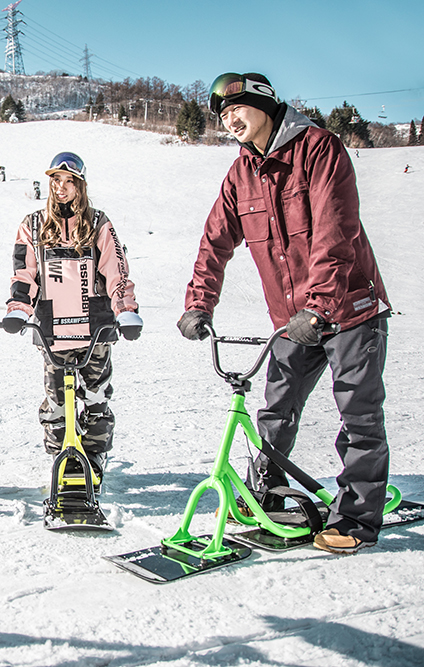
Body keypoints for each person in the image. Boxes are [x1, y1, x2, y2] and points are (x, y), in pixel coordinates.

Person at [178, 72, 391, 555]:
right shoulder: (241, 173)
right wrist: (198, 303)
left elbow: (335, 230)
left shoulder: (318, 149)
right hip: (293, 321)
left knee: (358, 415)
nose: (230, 119)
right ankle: (267, 493)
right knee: (276, 411)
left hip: (349, 309)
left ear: (266, 104)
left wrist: (319, 305)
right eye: (222, 114)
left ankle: (356, 517)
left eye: (237, 107)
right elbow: (214, 241)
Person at [0, 152, 142, 488]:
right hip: (53, 332)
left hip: (95, 330)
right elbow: (24, 273)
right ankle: (60, 459)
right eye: (55, 181)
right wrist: (19, 309)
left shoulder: (98, 223)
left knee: (96, 399)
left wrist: (125, 310)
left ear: (80, 185)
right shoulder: (33, 225)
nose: (61, 188)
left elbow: (116, 271)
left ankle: (93, 459)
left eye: (68, 182)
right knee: (56, 405)